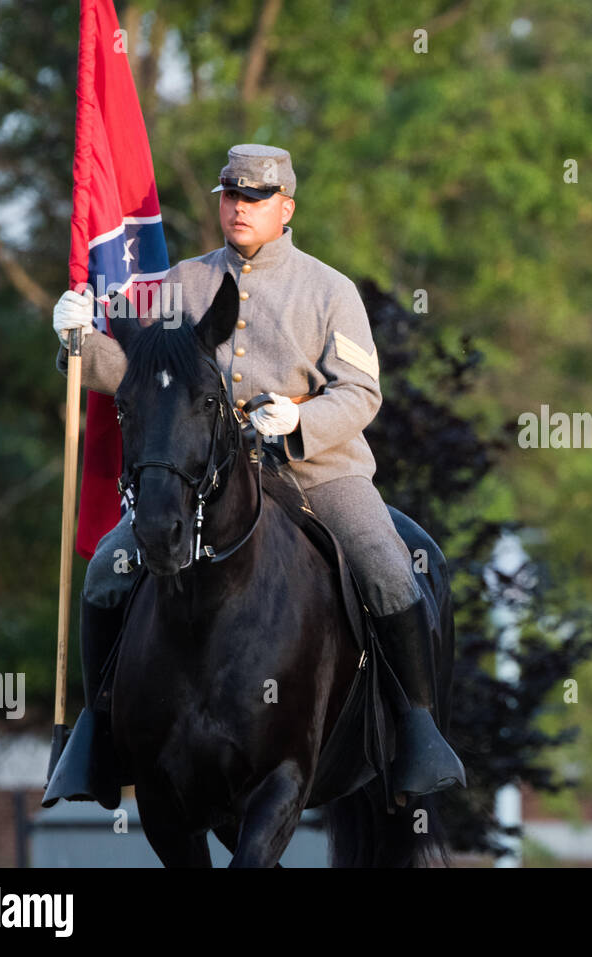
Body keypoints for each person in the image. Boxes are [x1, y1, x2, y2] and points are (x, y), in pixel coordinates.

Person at [45, 144, 464, 807]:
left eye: (256, 196)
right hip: (203, 478)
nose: (239, 206)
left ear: (285, 207)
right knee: (106, 570)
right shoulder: (179, 285)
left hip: (316, 470)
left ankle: (418, 732)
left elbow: (361, 394)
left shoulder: (329, 290)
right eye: (230, 194)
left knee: (389, 564)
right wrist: (77, 343)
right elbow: (133, 375)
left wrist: (295, 418)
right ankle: (96, 736)